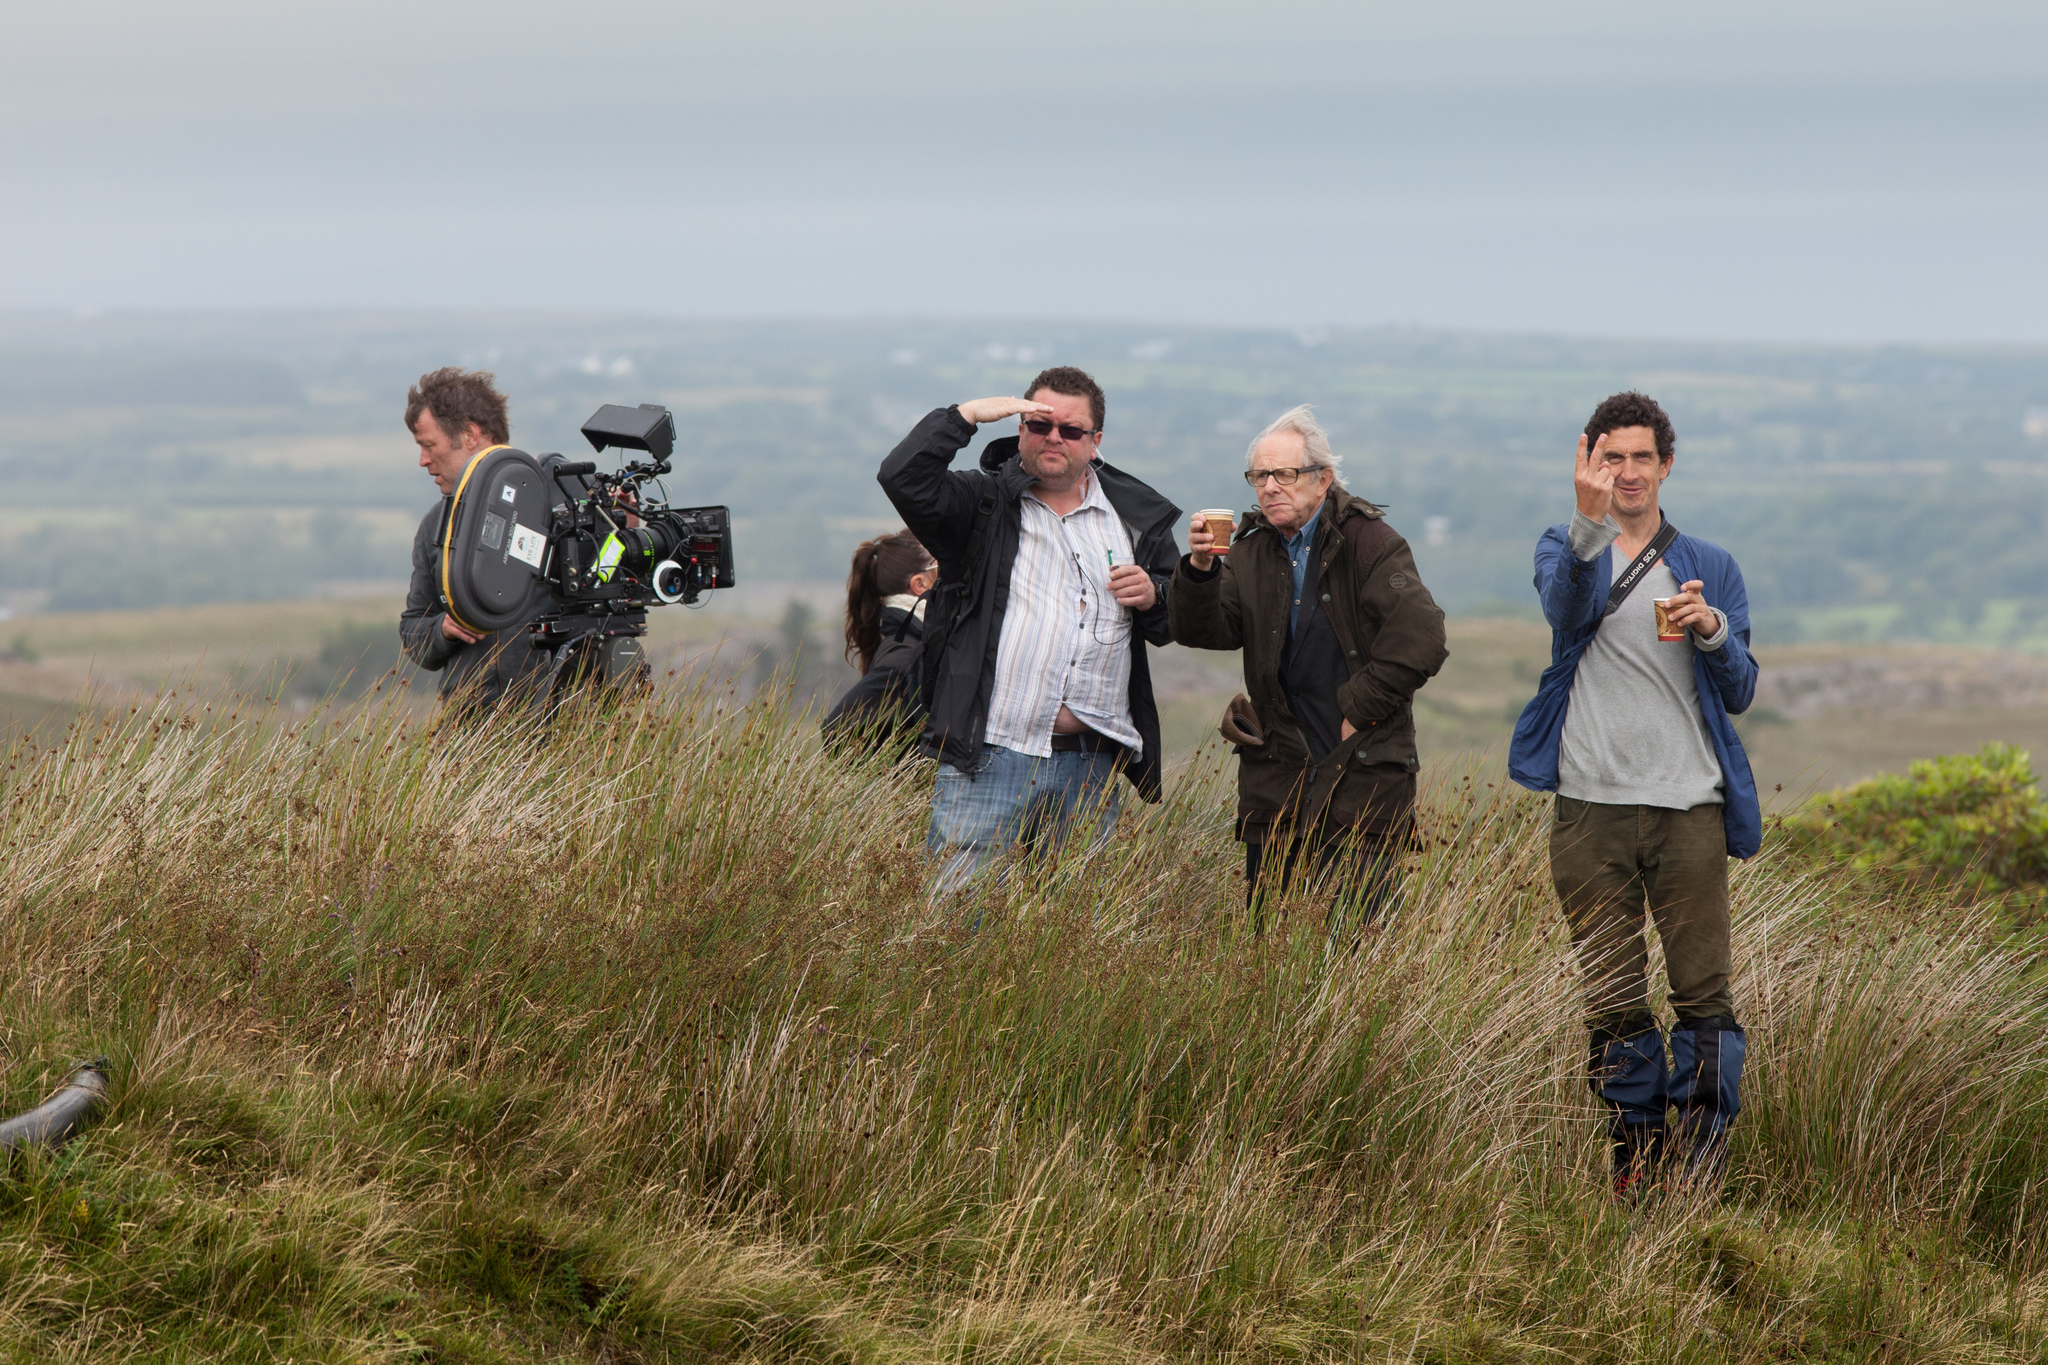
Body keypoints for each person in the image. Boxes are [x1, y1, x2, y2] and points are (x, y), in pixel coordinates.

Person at [1508, 390, 1760, 1197]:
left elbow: (1744, 686)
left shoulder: (1709, 562)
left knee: (1703, 997)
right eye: (1609, 457)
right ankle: (1637, 1162)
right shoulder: (1563, 543)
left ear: (1667, 465)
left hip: (1690, 805)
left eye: (1640, 457)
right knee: (1612, 997)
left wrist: (1712, 628)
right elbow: (1565, 608)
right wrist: (1586, 524)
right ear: (1589, 462)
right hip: (1590, 805)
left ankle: (1699, 1163)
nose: (1625, 472)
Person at [878, 366, 1180, 894]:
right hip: (990, 752)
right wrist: (965, 416)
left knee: (1070, 939)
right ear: (1019, 429)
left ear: (1096, 441)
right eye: (1040, 425)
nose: (1054, 438)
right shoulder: (981, 504)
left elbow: (1174, 619)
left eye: (1071, 430)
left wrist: (1157, 594)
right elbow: (902, 476)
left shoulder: (1133, 519)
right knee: (954, 925)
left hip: (1092, 763)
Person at [1168, 406, 1447, 935]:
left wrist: (1357, 711)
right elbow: (1209, 632)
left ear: (1323, 479)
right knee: (1271, 946)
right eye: (1259, 476)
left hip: (1360, 770)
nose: (1270, 486)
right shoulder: (1250, 550)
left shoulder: (1368, 542)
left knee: (1355, 949)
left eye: (1284, 474)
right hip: (1278, 779)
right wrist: (1200, 571)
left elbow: (1423, 638)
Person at [398, 368, 552, 718]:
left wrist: (625, 528)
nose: (423, 460)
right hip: (470, 733)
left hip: (562, 725)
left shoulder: (557, 503)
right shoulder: (435, 526)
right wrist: (443, 629)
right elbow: (413, 631)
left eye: (428, 446)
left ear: (469, 434)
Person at [822, 529, 937, 754]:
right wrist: (912, 768)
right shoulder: (905, 655)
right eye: (940, 566)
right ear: (920, 585)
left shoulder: (915, 642)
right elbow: (836, 732)